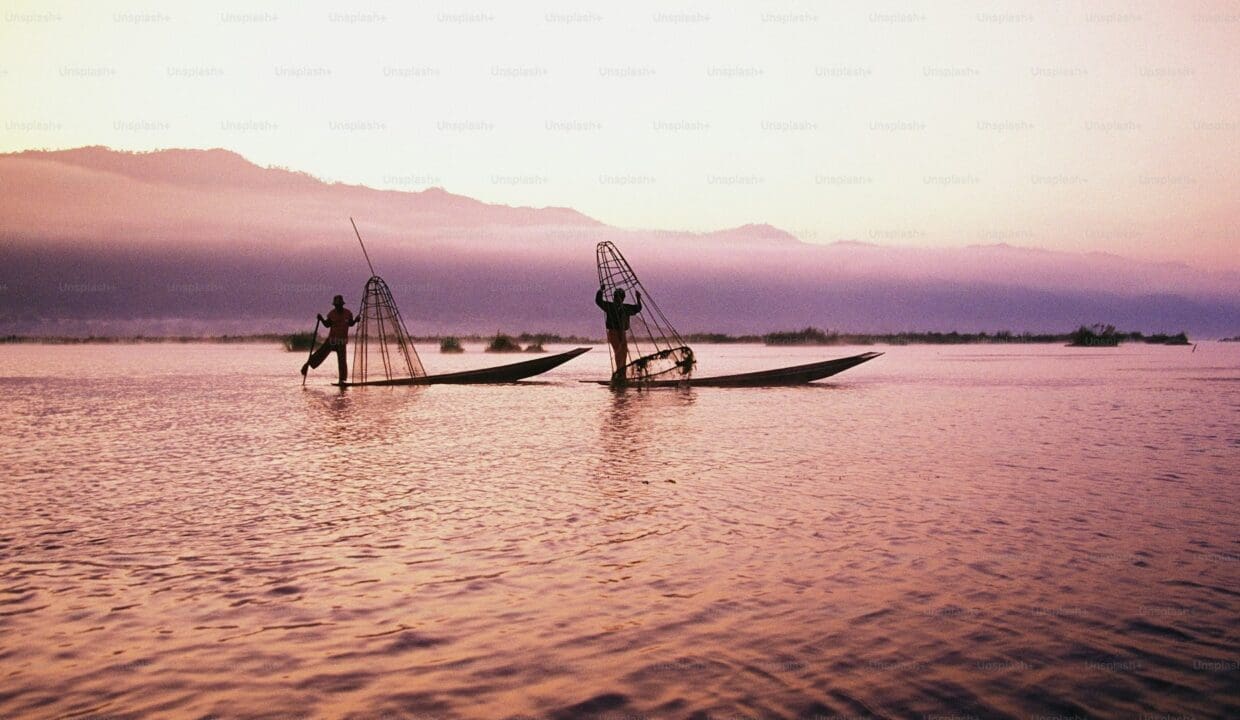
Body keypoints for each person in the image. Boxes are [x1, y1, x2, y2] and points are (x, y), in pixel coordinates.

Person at [301, 295, 360, 383]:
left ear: (342, 305)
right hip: (332, 339)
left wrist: (356, 320)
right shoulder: (332, 314)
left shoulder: (348, 313)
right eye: (336, 305)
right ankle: (307, 365)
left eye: (339, 305)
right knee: (320, 353)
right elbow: (327, 325)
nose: (337, 307)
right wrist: (321, 319)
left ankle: (342, 380)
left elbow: (351, 324)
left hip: (342, 341)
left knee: (342, 361)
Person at [595, 284, 642, 382]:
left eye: (620, 297)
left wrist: (638, 298)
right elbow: (598, 301)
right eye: (617, 297)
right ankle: (619, 373)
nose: (618, 299)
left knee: (624, 352)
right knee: (618, 351)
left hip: (622, 333)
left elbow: (638, 308)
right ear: (614, 298)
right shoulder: (610, 306)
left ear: (623, 298)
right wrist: (601, 291)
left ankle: (622, 375)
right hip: (613, 332)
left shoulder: (626, 308)